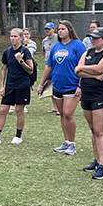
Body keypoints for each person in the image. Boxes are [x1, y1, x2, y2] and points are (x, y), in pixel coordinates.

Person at [75, 27, 103, 180]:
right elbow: (77, 71)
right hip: (87, 94)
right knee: (93, 130)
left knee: (100, 131)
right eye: (92, 38)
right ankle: (96, 160)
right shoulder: (88, 52)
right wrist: (93, 75)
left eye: (97, 38)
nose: (93, 40)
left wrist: (85, 69)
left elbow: (101, 68)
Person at [37, 20, 87, 155]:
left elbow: (83, 66)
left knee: (68, 114)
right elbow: (49, 66)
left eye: (63, 29)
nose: (60, 31)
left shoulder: (78, 45)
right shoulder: (56, 46)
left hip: (72, 84)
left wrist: (80, 85)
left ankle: (72, 144)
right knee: (62, 115)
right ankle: (66, 141)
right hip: (57, 85)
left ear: (70, 30)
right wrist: (41, 84)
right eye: (59, 29)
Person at [0, 28, 34, 145]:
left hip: (22, 85)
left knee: (19, 111)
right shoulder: (7, 52)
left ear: (21, 38)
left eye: (15, 36)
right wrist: (2, 86)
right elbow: (3, 69)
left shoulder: (25, 51)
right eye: (11, 36)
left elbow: (31, 70)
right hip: (10, 86)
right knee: (2, 111)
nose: (12, 38)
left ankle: (18, 136)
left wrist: (20, 60)